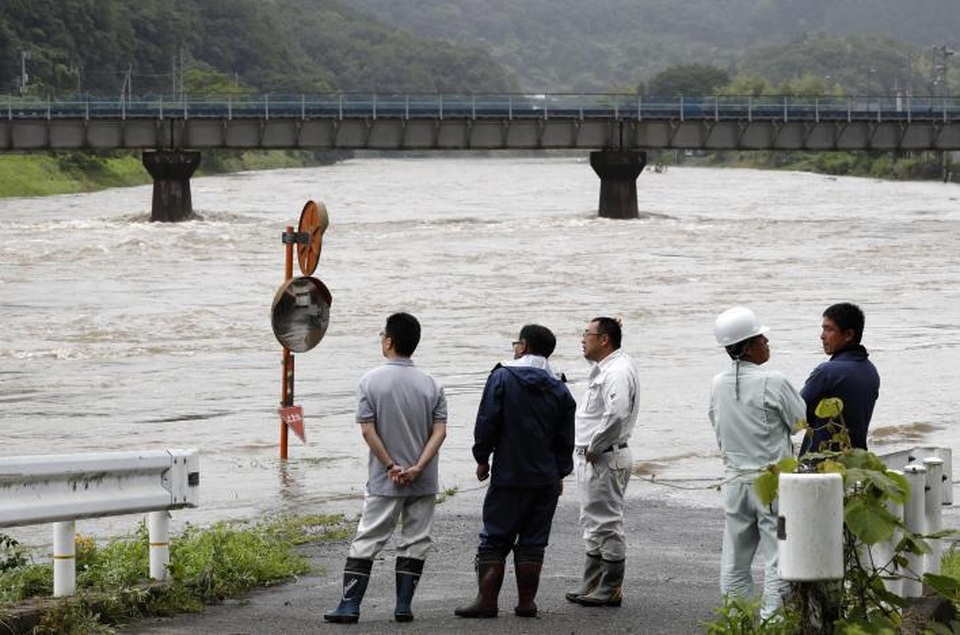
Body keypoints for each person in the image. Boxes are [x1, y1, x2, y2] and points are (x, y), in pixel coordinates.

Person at [324, 312, 448, 624]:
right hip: (423, 478)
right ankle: (403, 606)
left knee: (368, 538)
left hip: (386, 479)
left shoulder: (370, 381)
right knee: (416, 540)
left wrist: (392, 465)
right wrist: (418, 466)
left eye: (382, 335)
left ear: (389, 340)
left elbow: (368, 430)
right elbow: (439, 432)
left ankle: (350, 606)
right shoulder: (433, 384)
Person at [455, 324, 576, 619]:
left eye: (516, 344)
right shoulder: (559, 385)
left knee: (495, 536)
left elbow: (487, 421)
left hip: (509, 473)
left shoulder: (502, 377)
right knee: (534, 539)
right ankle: (526, 602)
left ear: (523, 346)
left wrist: (481, 458)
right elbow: (566, 437)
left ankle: (487, 601)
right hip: (545, 477)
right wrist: (560, 472)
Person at [708, 306, 807, 619]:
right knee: (778, 557)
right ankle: (772, 622)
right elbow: (800, 422)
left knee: (735, 558)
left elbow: (717, 424)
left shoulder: (717, 383)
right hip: (772, 483)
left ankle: (737, 619)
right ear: (750, 345)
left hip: (735, 480)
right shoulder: (774, 381)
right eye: (763, 339)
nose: (768, 343)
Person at [566, 317, 640, 608]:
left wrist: (595, 444)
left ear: (604, 339)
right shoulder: (608, 367)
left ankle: (609, 587)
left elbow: (617, 412)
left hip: (604, 456)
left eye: (587, 334)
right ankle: (593, 581)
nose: (582, 339)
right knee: (592, 520)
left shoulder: (617, 370)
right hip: (597, 455)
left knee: (607, 523)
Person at [799, 302, 880, 455]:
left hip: (820, 464)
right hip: (857, 461)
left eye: (829, 329)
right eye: (823, 329)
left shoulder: (827, 372)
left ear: (848, 335)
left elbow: (795, 413)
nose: (822, 336)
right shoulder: (871, 371)